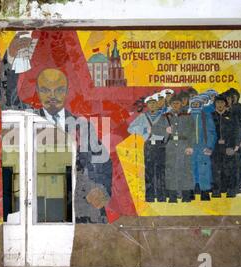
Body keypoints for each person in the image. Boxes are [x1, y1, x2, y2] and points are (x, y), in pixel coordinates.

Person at [35, 68, 112, 223]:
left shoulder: (82, 126)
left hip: (79, 208)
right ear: (37, 91)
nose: (52, 96)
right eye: (45, 90)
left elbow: (103, 163)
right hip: (40, 206)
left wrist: (101, 189)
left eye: (59, 90)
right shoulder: (28, 123)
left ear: (67, 91)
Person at [152, 95, 195, 202]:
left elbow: (193, 132)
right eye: (173, 103)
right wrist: (165, 130)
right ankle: (172, 197)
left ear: (181, 104)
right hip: (170, 146)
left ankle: (185, 196)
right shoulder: (164, 117)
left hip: (184, 145)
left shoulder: (187, 116)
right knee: (170, 171)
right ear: (170, 105)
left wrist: (190, 146)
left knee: (185, 170)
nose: (176, 105)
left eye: (178, 103)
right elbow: (154, 129)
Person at [127, 94, 166, 202]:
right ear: (147, 105)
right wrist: (143, 131)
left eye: (154, 103)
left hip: (161, 145)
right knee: (148, 171)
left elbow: (169, 130)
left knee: (160, 171)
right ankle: (149, 196)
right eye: (150, 104)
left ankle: (161, 196)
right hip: (148, 145)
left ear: (158, 104)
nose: (152, 105)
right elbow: (130, 129)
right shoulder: (142, 117)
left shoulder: (164, 116)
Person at [211, 95, 239, 198]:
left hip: (229, 146)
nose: (220, 105)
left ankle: (230, 191)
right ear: (215, 104)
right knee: (216, 169)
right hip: (215, 147)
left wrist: (234, 145)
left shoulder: (231, 115)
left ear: (225, 104)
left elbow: (236, 131)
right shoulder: (211, 116)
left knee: (229, 168)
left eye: (222, 103)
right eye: (218, 103)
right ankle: (216, 191)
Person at [189, 96, 217, 201]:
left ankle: (204, 191)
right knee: (191, 169)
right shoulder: (187, 116)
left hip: (203, 147)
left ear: (201, 105)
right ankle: (191, 190)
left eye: (198, 104)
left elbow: (211, 133)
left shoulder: (206, 116)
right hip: (190, 148)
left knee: (204, 169)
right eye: (194, 104)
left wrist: (209, 146)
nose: (196, 106)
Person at [226, 88, 241, 192]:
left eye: (234, 96)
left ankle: (239, 182)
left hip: (239, 138)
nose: (232, 98)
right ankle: (232, 183)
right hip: (228, 140)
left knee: (238, 161)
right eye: (230, 97)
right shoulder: (226, 108)